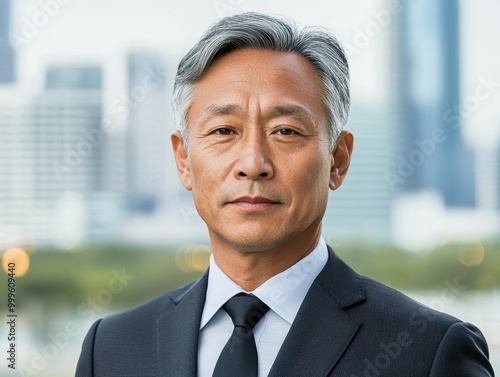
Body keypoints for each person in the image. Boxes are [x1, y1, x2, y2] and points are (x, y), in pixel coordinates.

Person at [76, 12, 494, 377]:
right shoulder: (110, 348)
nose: (253, 163)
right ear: (184, 160)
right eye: (224, 131)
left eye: (286, 131)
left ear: (338, 159)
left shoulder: (428, 352)